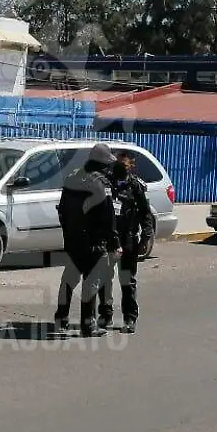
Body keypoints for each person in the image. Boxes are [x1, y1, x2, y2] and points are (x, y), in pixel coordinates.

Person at [54, 143, 121, 337]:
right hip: (94, 242)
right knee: (91, 282)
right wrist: (115, 243)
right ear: (103, 164)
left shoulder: (72, 178)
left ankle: (61, 319)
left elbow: (62, 211)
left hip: (74, 240)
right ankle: (88, 325)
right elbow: (109, 219)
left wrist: (69, 234)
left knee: (68, 280)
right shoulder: (102, 184)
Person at [96, 151, 154, 334]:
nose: (119, 166)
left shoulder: (135, 187)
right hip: (108, 240)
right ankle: (105, 315)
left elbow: (145, 213)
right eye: (117, 162)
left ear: (131, 165)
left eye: (124, 163)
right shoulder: (106, 182)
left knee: (127, 281)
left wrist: (146, 236)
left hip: (128, 239)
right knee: (104, 280)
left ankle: (130, 318)